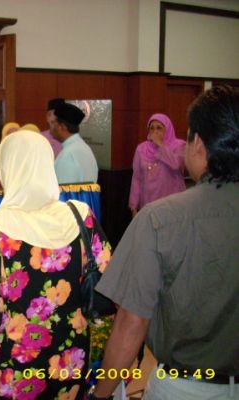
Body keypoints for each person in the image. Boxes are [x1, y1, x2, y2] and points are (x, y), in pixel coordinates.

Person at [91, 85, 239, 400]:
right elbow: (136, 179)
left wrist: (101, 394)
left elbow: (131, 322)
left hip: (187, 386)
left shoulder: (159, 220)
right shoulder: (144, 161)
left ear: (197, 142)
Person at [0, 130, 111, 399]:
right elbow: (111, 278)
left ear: (7, 169)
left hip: (16, 367)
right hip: (71, 358)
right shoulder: (80, 215)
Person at [129, 113, 186, 218]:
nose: (155, 132)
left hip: (172, 205)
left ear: (167, 129)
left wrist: (160, 145)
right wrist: (134, 207)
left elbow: (176, 164)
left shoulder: (179, 146)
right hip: (148, 204)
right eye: (152, 128)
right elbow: (137, 178)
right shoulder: (141, 149)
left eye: (159, 128)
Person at [52, 101, 98, 184]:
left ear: (63, 127)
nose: (51, 128)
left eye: (54, 123)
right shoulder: (82, 147)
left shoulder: (68, 156)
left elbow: (63, 191)